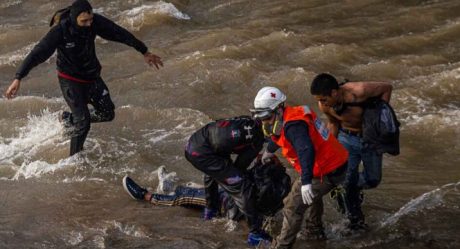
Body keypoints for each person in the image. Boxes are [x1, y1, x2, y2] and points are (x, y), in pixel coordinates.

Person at [4, 0, 163, 156]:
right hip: (70, 81)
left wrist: (144, 52)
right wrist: (18, 77)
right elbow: (37, 54)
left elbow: (119, 33)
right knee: (84, 123)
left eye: (90, 20)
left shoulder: (95, 23)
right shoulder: (61, 31)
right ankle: (74, 160)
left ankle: (68, 119)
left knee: (107, 113)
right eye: (84, 21)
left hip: (92, 78)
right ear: (74, 19)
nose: (88, 24)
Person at [250, 86, 348, 249]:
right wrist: (268, 151)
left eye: (266, 116)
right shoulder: (290, 116)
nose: (264, 121)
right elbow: (280, 135)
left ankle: (282, 246)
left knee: (292, 205)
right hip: (336, 162)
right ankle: (314, 231)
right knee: (310, 197)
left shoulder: (294, 126)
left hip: (327, 169)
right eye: (260, 116)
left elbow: (305, 150)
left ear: (279, 109)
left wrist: (307, 181)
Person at [310, 73, 394, 230]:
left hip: (370, 139)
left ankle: (350, 187)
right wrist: (329, 150)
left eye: (323, 99)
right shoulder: (326, 106)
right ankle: (354, 220)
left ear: (334, 93)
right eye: (319, 100)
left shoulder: (359, 91)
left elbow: (387, 88)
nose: (321, 103)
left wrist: (380, 114)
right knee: (348, 181)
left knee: (372, 180)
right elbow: (333, 123)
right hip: (346, 139)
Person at [122, 155, 291, 225]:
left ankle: (144, 195)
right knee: (195, 192)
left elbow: (248, 186)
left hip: (228, 205)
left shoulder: (265, 178)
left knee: (184, 197)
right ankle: (168, 187)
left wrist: (260, 163)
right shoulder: (284, 181)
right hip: (235, 202)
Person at [184, 116, 273, 246]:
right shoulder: (257, 141)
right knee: (243, 186)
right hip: (206, 153)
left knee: (214, 171)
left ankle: (210, 211)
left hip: (194, 143)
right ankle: (255, 233)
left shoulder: (245, 120)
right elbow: (240, 167)